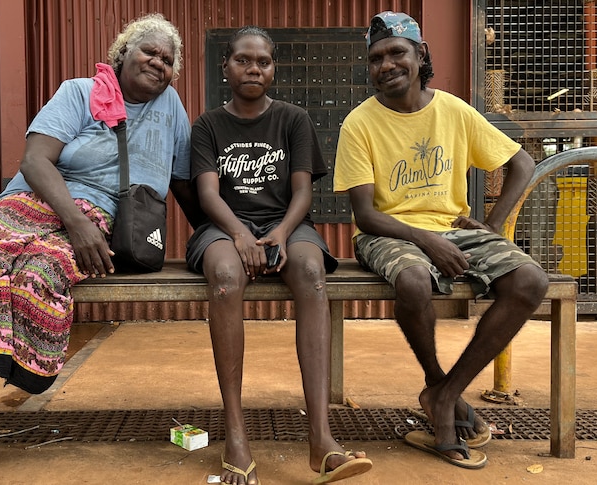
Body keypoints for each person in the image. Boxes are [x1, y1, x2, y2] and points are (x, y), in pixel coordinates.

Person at [0, 13, 200, 473]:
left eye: (167, 59)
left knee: (39, 274)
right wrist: (75, 222)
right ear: (122, 54)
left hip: (104, 216)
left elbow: (181, 181)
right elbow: (37, 161)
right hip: (35, 199)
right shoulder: (79, 92)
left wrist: (217, 237)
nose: (158, 63)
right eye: (149, 51)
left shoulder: (171, 108)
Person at [334, 11, 549, 469]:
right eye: (376, 59)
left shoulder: (452, 109)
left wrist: (491, 226)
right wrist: (427, 241)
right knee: (412, 281)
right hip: (388, 231)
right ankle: (436, 383)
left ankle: (446, 393)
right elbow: (367, 215)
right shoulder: (359, 123)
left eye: (397, 53)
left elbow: (522, 164)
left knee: (530, 281)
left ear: (420, 55)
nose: (386, 65)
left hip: (454, 228)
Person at [186, 26, 372, 485]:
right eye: (243, 60)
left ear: (274, 69)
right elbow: (208, 194)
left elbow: (303, 191)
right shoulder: (208, 125)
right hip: (225, 227)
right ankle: (236, 436)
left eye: (263, 61)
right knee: (226, 277)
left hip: (285, 223)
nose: (253, 68)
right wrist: (240, 235)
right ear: (225, 67)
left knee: (311, 272)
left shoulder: (293, 118)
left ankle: (321, 438)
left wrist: (284, 234)